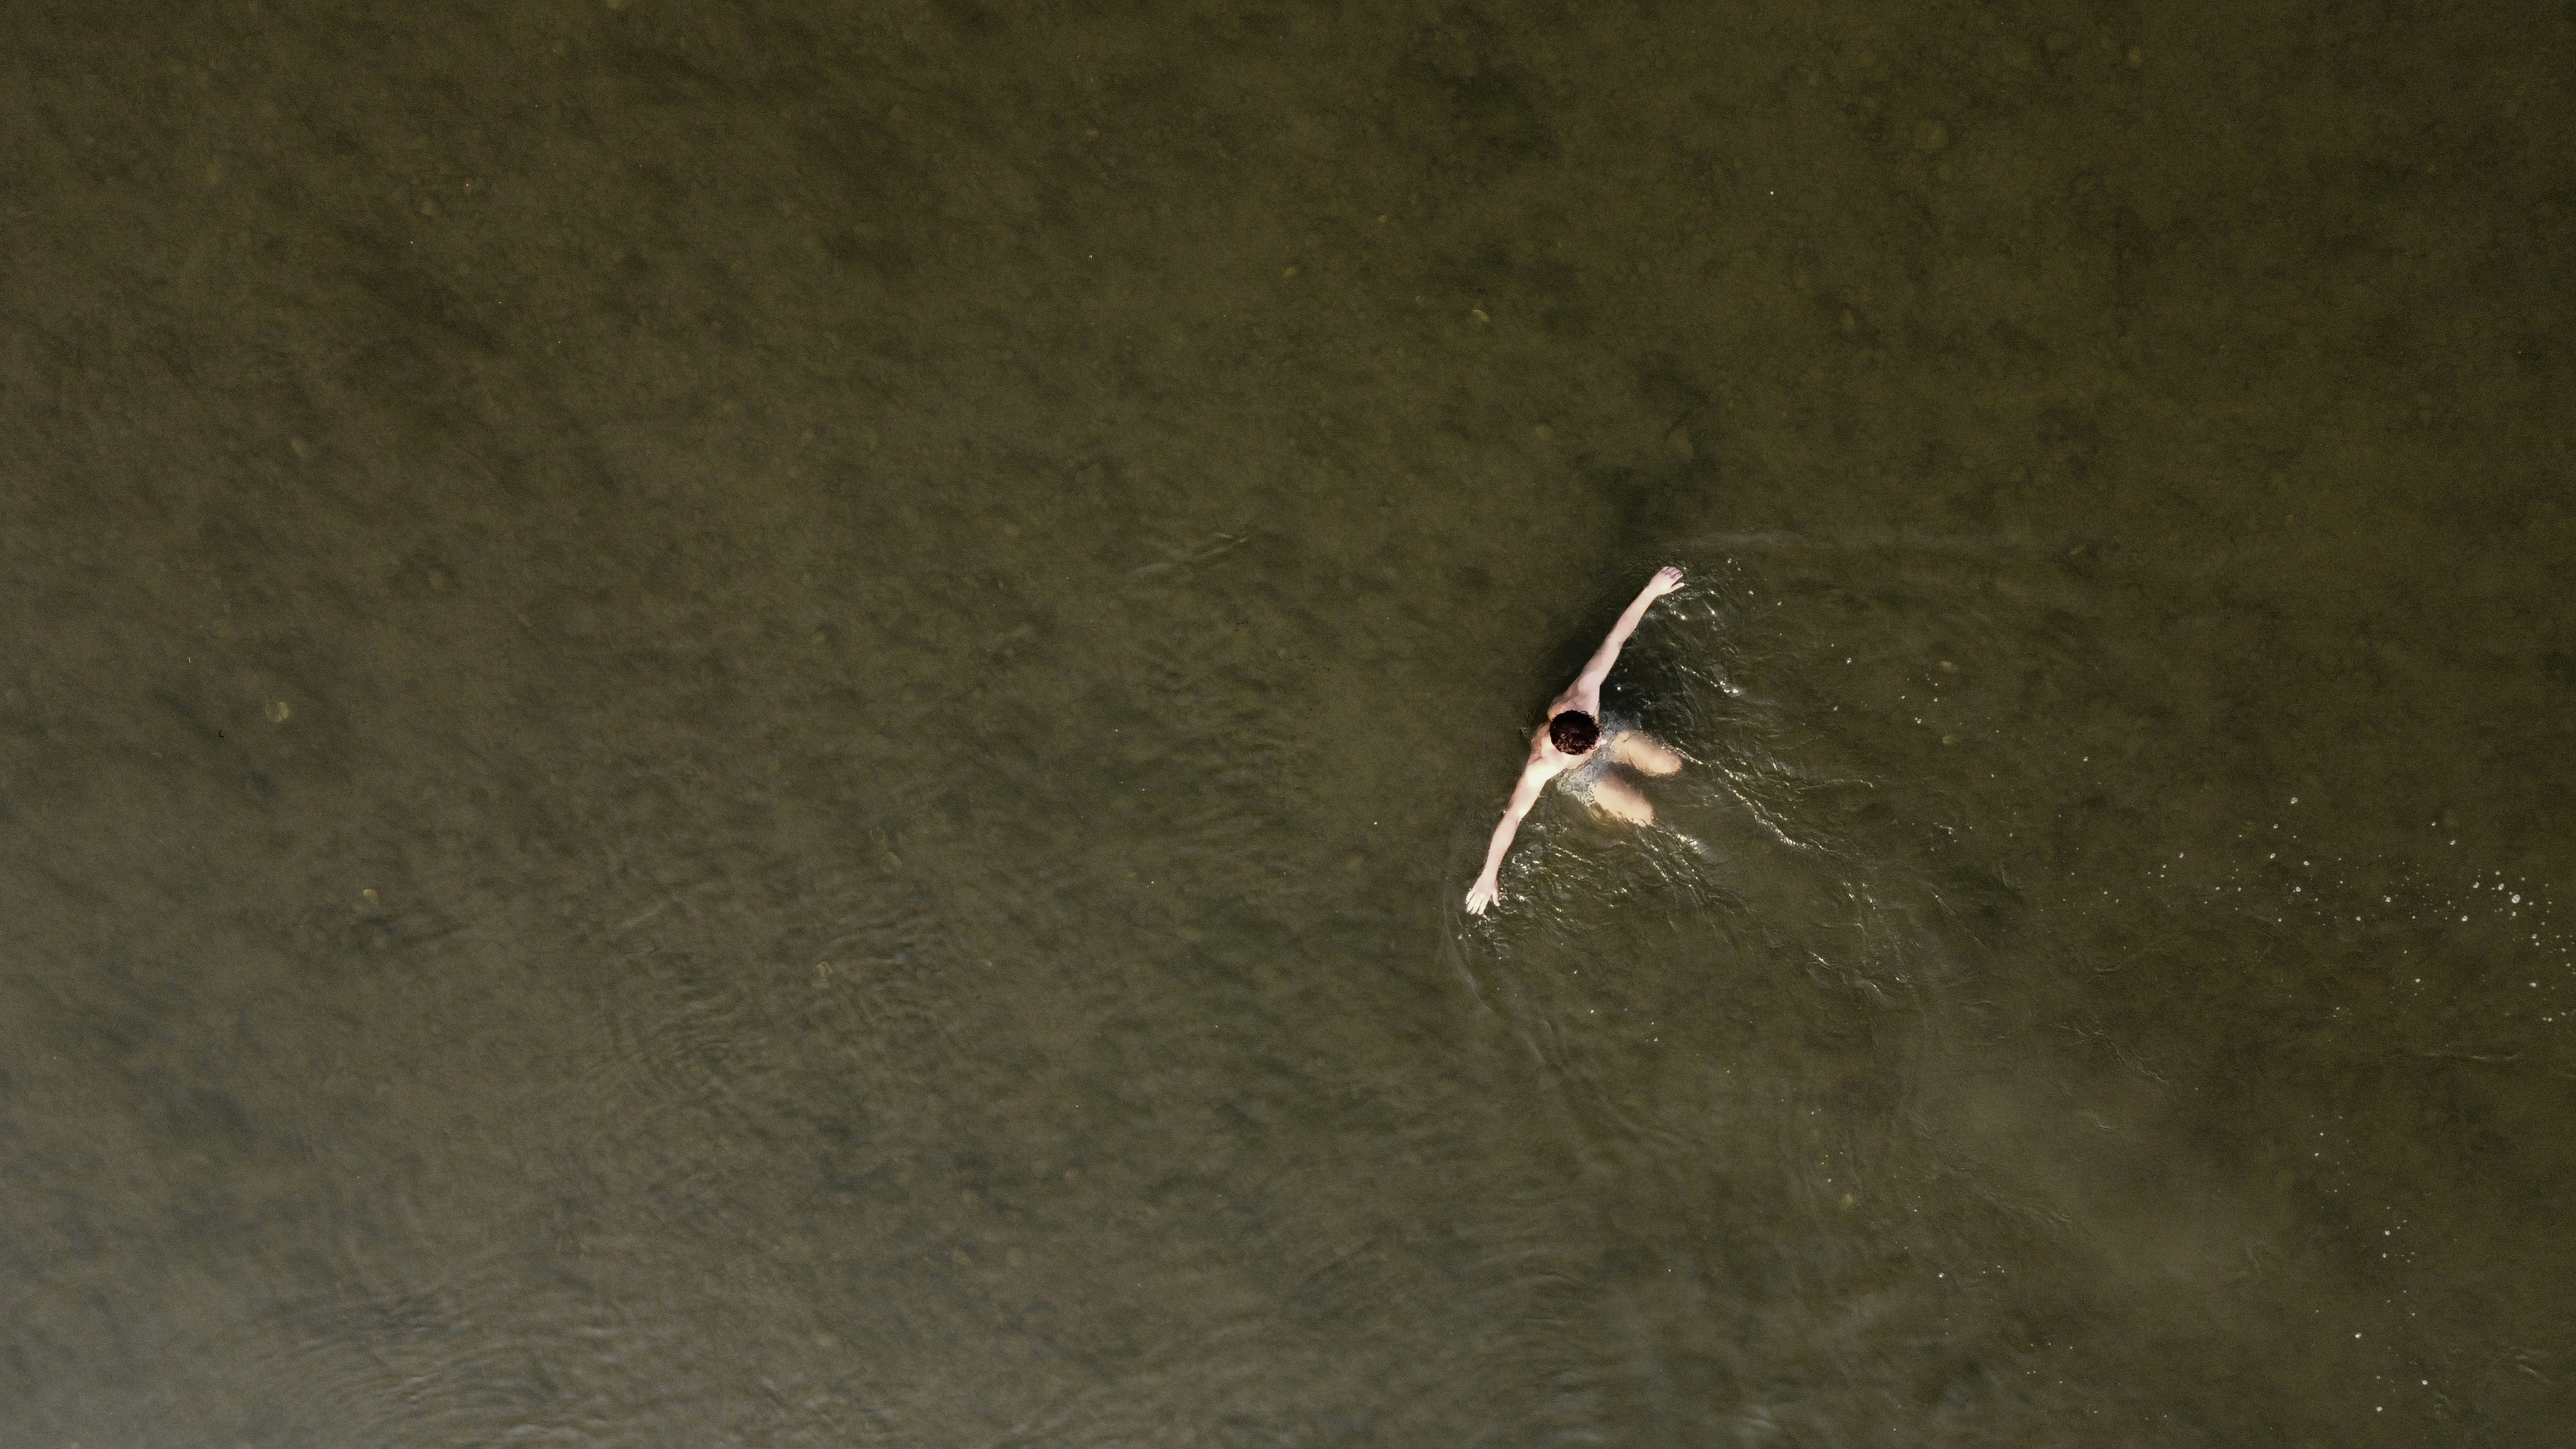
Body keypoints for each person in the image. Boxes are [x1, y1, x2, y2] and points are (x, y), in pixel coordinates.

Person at [1463, 565, 1687, 914]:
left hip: (1607, 736)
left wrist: (1651, 591)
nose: (1598, 743)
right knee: (1646, 816)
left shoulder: (1584, 692)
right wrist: (1489, 874)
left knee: (1672, 766)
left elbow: (1614, 640)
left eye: (1594, 734)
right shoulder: (1542, 767)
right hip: (1580, 775)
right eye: (1593, 743)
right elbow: (1513, 817)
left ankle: (1625, 772)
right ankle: (1603, 809)